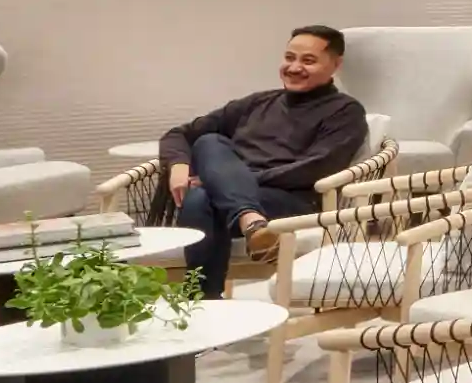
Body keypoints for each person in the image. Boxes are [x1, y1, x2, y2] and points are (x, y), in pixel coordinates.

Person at [159, 25, 372, 293]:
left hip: (292, 201)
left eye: (308, 61)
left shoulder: (345, 111)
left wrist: (226, 181)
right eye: (289, 58)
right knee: (208, 142)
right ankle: (251, 222)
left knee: (202, 197)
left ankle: (202, 299)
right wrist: (179, 164)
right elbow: (178, 134)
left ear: (335, 65)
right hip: (241, 207)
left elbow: (317, 168)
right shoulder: (257, 103)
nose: (294, 67)